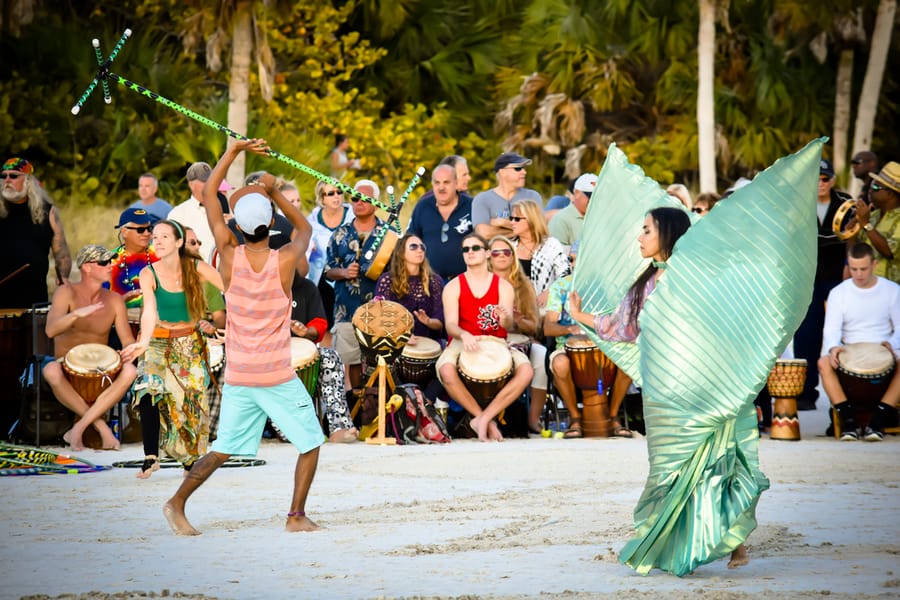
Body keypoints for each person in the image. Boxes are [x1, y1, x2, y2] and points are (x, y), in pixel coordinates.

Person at [570, 207, 761, 570]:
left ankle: (735, 540)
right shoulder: (645, 282)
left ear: (668, 234)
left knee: (718, 458)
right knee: (670, 468)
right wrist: (579, 315)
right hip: (662, 392)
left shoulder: (699, 276)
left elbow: (725, 324)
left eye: (646, 230)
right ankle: (675, 541)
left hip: (704, 383)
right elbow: (622, 327)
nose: (639, 237)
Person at [162, 138, 322, 536]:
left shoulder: (228, 257)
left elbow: (213, 202)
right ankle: (296, 516)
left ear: (238, 226)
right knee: (310, 442)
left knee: (222, 448)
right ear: (270, 223)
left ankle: (177, 502)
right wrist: (271, 191)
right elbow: (304, 226)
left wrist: (232, 153)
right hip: (275, 376)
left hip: (239, 376)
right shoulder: (285, 261)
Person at [126, 219, 222, 478]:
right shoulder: (148, 273)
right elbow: (149, 312)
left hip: (188, 343)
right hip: (156, 340)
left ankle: (190, 461)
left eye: (164, 237)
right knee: (148, 387)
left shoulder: (196, 267)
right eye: (154, 237)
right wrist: (142, 343)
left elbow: (231, 290)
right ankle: (150, 457)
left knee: (188, 406)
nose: (156, 241)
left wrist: (235, 327)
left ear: (179, 242)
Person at [435, 233, 533, 441]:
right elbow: (450, 325)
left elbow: (506, 326)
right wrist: (464, 334)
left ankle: (484, 417)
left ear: (487, 253)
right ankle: (481, 417)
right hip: (462, 342)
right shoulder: (453, 286)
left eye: (475, 248)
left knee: (526, 371)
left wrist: (505, 318)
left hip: (496, 341)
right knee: (446, 370)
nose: (470, 252)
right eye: (466, 249)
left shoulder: (503, 286)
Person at [42, 245, 138, 452]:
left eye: (110, 261)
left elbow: (127, 340)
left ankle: (79, 428)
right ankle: (102, 427)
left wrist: (129, 351)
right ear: (86, 267)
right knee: (50, 371)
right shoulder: (65, 292)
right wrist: (76, 314)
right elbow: (50, 330)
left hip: (101, 370)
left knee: (131, 370)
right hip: (66, 366)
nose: (110, 266)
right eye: (103, 262)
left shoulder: (113, 300)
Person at [545, 242, 633, 438]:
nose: (574, 264)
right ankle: (575, 418)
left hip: (606, 345)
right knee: (559, 363)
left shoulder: (610, 287)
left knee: (629, 361)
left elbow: (621, 323)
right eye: (572, 259)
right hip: (567, 347)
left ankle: (613, 416)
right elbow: (548, 328)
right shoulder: (560, 287)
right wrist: (570, 328)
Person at [818, 244, 900, 441]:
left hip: (882, 348)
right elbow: (831, 330)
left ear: (874, 264)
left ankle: (879, 418)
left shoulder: (892, 290)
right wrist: (834, 347)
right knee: (823, 363)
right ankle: (848, 421)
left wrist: (892, 343)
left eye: (863, 269)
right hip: (850, 349)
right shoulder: (839, 292)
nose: (858, 274)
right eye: (854, 269)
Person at [792, 158, 850, 411]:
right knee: (806, 334)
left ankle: (846, 397)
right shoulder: (798, 205)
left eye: (825, 178)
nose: (820, 184)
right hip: (807, 279)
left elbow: (852, 238)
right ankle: (806, 393)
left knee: (842, 334)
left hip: (838, 278)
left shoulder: (845, 203)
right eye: (816, 179)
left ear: (832, 180)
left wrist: (849, 263)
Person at [325, 179, 384, 389]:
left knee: (376, 365)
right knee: (347, 363)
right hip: (346, 310)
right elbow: (328, 270)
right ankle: (355, 407)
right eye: (355, 198)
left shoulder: (387, 235)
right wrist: (343, 272)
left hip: (379, 312)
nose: (359, 202)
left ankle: (373, 410)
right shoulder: (340, 234)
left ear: (376, 202)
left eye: (365, 198)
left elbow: (397, 273)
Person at [487, 235, 546, 434]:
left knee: (541, 355)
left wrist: (519, 319)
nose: (502, 256)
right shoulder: (481, 283)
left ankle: (533, 418)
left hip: (520, 340)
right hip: (489, 340)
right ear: (489, 257)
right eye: (496, 252)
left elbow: (534, 327)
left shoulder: (524, 285)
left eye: (506, 252)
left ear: (513, 257)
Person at [0, 157, 72, 308]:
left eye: (13, 176)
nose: (7, 180)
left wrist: (63, 277)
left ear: (28, 181)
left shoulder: (48, 211)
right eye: (3, 176)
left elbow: (61, 252)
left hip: (34, 298)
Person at [407, 164, 473, 281]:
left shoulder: (471, 205)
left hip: (466, 280)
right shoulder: (423, 207)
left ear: (456, 183)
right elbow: (410, 240)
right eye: (437, 183)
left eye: (446, 182)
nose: (441, 187)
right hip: (428, 281)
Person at [375, 234, 445, 343]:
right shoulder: (387, 280)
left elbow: (440, 323)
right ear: (401, 252)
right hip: (395, 342)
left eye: (422, 247)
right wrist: (401, 334)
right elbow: (381, 317)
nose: (419, 250)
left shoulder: (435, 281)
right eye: (413, 247)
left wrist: (428, 321)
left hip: (428, 343)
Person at [307, 179, 354, 322]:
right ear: (322, 198)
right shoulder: (313, 220)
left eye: (339, 192)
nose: (336, 196)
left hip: (348, 274)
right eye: (331, 193)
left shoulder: (352, 216)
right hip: (320, 275)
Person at [509, 198, 570, 306]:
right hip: (513, 306)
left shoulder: (551, 245)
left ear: (531, 220)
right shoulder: (508, 246)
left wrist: (550, 292)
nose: (512, 222)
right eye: (511, 218)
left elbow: (566, 276)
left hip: (543, 308)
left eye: (517, 219)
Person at [472, 152, 542, 240]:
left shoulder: (533, 196)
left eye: (524, 168)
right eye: (518, 168)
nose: (524, 172)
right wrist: (522, 229)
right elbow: (484, 234)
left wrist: (503, 222)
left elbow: (538, 228)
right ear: (502, 172)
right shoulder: (482, 199)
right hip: (497, 253)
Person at [854, 161, 900, 285]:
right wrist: (851, 231)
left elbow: (889, 251)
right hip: (864, 288)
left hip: (891, 291)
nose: (870, 190)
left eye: (875, 187)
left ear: (890, 194)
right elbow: (857, 249)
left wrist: (865, 224)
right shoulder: (872, 215)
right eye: (871, 185)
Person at [167, 162, 219, 263]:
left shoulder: (224, 208)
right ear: (191, 185)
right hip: (194, 273)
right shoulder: (178, 214)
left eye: (211, 180)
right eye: (204, 181)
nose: (209, 184)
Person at [108, 207, 158, 308]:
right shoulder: (110, 260)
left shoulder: (160, 255)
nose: (147, 233)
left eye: (149, 228)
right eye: (140, 230)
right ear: (124, 232)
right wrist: (124, 299)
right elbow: (101, 302)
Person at [549, 173, 596, 245]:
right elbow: (553, 252)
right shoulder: (561, 220)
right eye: (590, 196)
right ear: (576, 193)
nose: (593, 200)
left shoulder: (601, 217)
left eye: (597, 196)